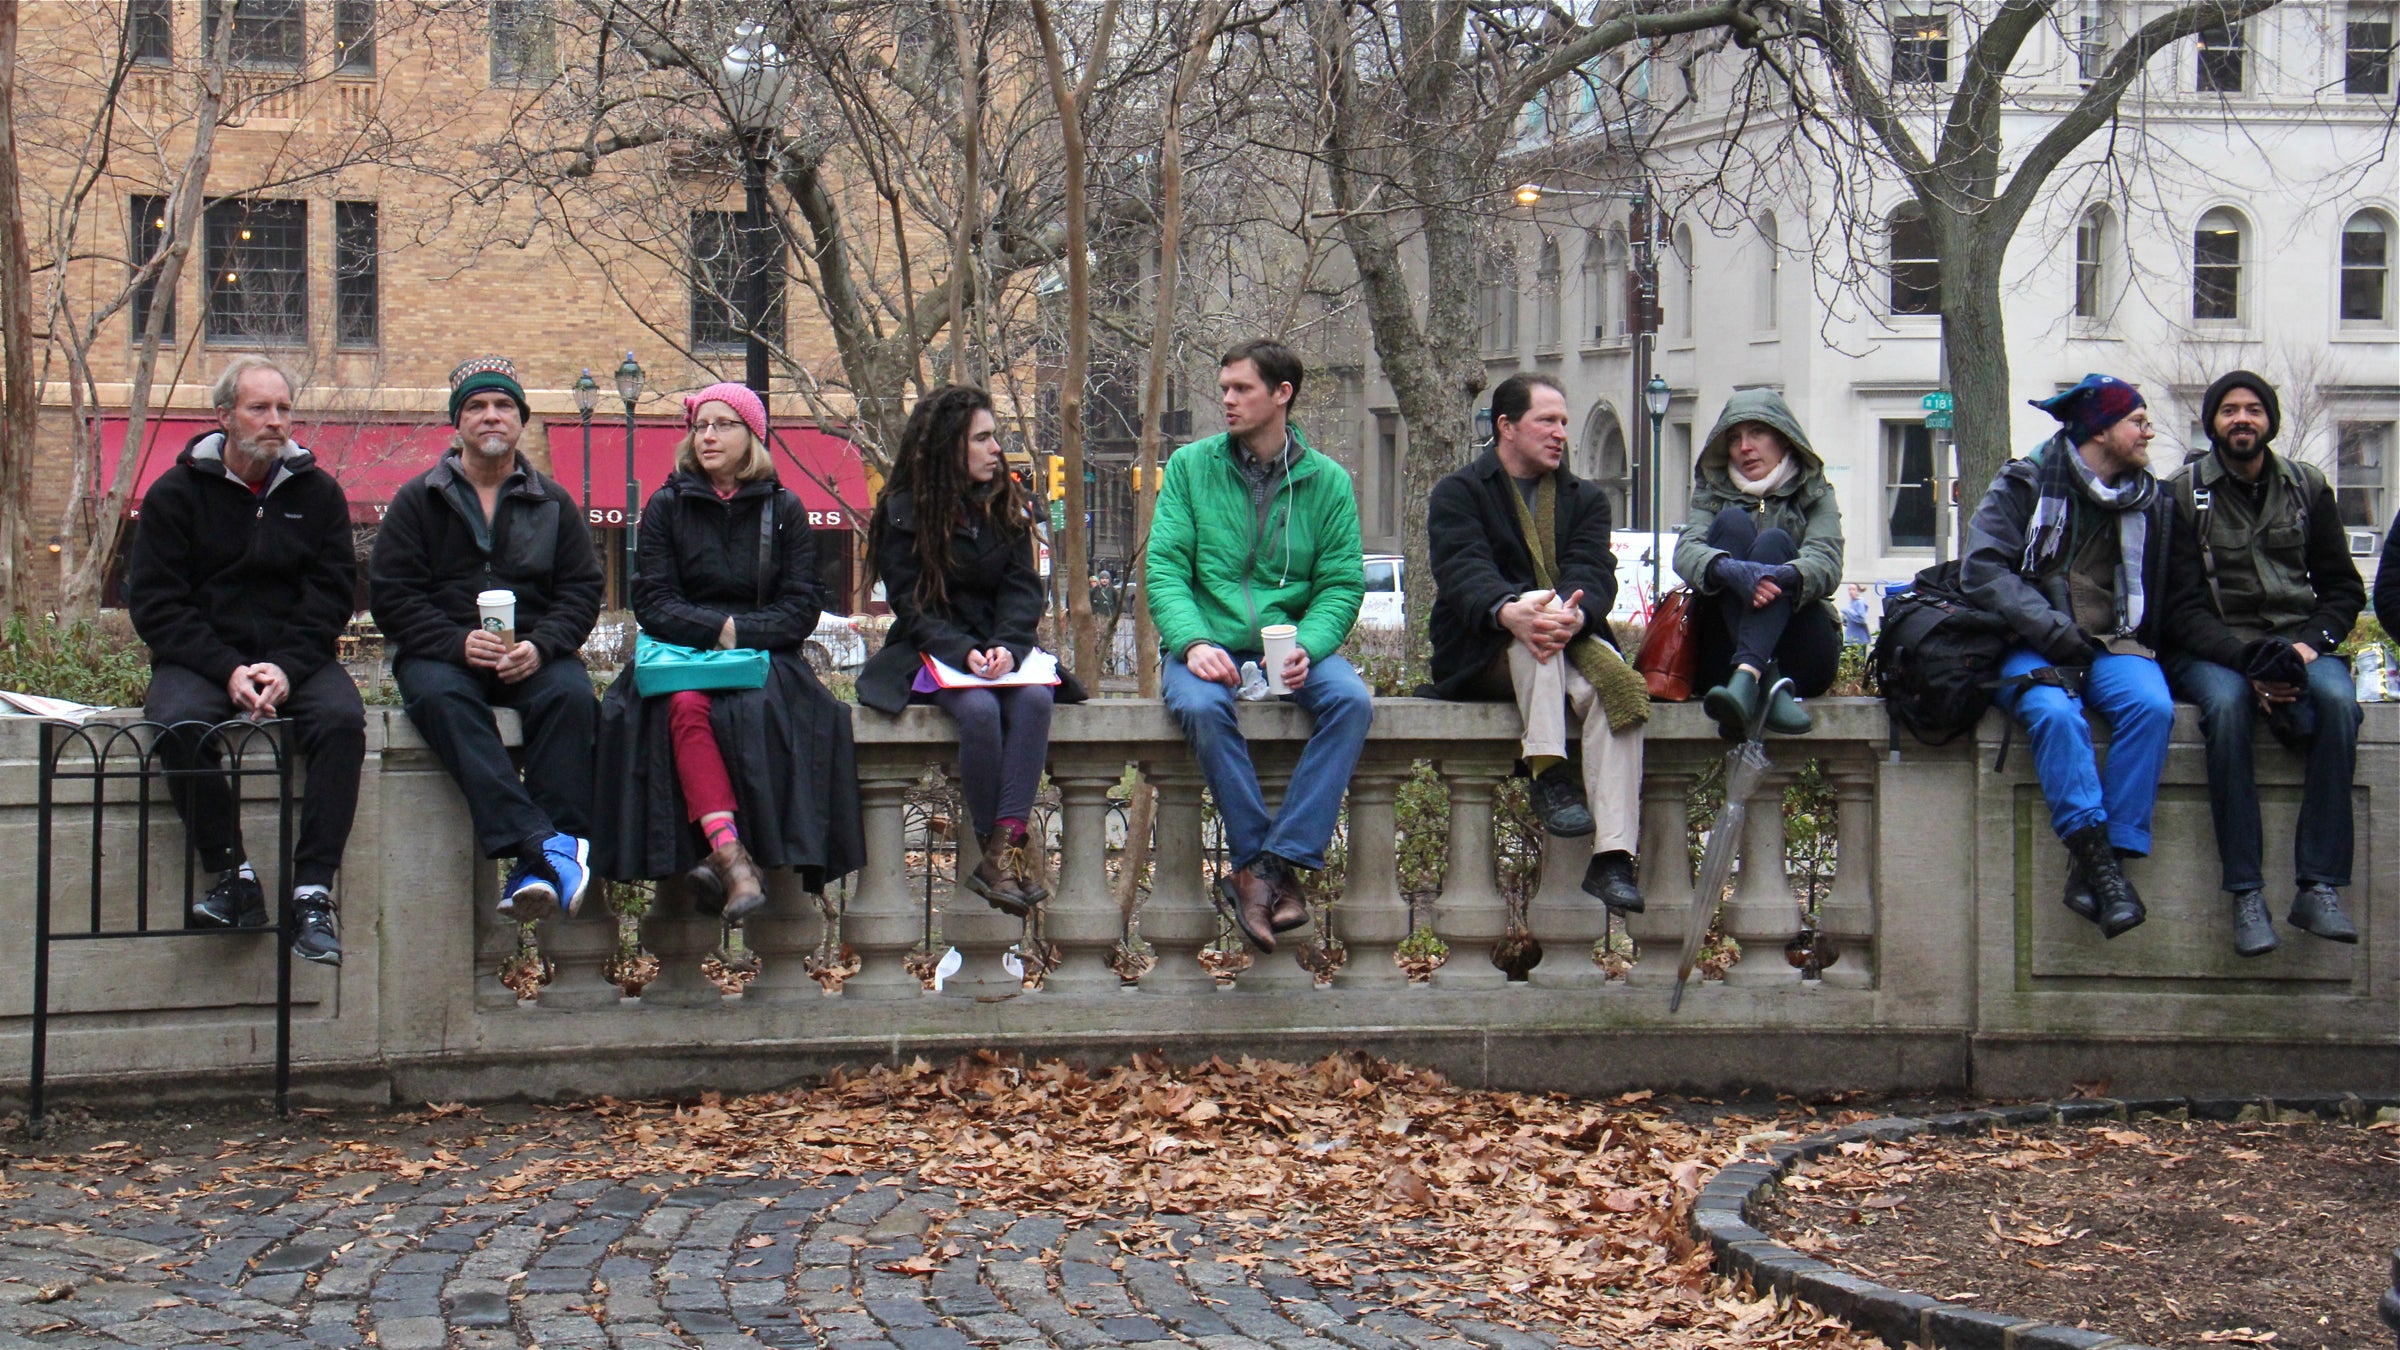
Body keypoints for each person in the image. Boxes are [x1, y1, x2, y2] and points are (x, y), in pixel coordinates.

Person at [124, 355, 363, 966]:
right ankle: (235, 877)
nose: (276, 421)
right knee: (178, 723)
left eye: (284, 409)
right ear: (225, 415)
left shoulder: (320, 493)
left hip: (297, 659)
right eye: (260, 409)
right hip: (200, 661)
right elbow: (156, 603)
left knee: (341, 722)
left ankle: (313, 891)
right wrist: (228, 668)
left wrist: (285, 664)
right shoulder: (175, 494)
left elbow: (333, 594)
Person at [593, 383, 863, 921]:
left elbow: (801, 605)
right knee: (683, 705)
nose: (708, 435)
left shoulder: (784, 508)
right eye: (701, 426)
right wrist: (717, 628)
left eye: (723, 424)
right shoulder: (666, 505)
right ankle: (730, 856)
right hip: (680, 655)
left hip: (762, 656)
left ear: (753, 435)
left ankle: (728, 855)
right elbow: (652, 599)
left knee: (757, 712)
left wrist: (739, 633)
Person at [1147, 339, 1370, 953]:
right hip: (1205, 644)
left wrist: (1311, 643)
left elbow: (1342, 583)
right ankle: (1261, 863)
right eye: (1224, 388)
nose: (1226, 400)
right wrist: (1190, 642)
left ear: (1282, 395)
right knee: (1198, 707)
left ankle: (1269, 866)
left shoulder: (1326, 483)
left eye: (1241, 389)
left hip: (1292, 646)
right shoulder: (1193, 467)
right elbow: (1164, 568)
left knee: (1351, 701)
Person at [369, 356, 604, 923]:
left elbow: (581, 589)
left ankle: (532, 873)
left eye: (503, 406)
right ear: (459, 422)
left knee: (570, 698)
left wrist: (544, 645)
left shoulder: (552, 502)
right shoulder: (416, 499)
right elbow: (392, 595)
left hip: (532, 655)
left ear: (521, 420)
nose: (491, 416)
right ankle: (542, 843)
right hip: (443, 656)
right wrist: (455, 643)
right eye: (476, 406)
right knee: (441, 699)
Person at [1962, 373, 2175, 940]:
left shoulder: (2149, 497)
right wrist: (2051, 630)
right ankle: (2101, 867)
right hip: (2028, 642)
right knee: (2055, 716)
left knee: (2152, 708)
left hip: (2112, 641)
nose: (2148, 431)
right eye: (2137, 420)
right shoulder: (2025, 481)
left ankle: (2100, 867)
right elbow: (1980, 570)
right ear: (2101, 431)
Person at [859, 385, 1086, 915]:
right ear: (949, 445)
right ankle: (997, 852)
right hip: (931, 651)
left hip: (1003, 651)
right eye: (983, 438)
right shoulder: (901, 512)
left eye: (995, 438)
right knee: (981, 711)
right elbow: (912, 605)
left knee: (1034, 700)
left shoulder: (1006, 503)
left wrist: (1008, 646)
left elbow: (1022, 587)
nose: (995, 450)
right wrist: (964, 653)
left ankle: (998, 858)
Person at [1426, 373, 1647, 912]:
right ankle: (1548, 772)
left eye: (1564, 423)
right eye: (1546, 421)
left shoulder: (1586, 499)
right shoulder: (1461, 492)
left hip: (1562, 641)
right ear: (1506, 426)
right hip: (1482, 648)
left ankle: (1613, 857)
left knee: (1614, 691)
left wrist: (1577, 613)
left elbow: (1594, 571)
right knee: (1532, 635)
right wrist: (1509, 610)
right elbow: (1462, 569)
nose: (1560, 434)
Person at [2163, 371, 2364, 955]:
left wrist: (2304, 650)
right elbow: (2179, 609)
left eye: (2253, 409)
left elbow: (2343, 591)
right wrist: (2250, 664)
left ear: (2270, 420)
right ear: (2213, 422)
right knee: (2226, 710)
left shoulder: (2307, 487)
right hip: (2215, 649)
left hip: (2297, 641)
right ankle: (2247, 893)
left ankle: (2317, 885)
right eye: (2229, 410)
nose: (2242, 419)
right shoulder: (2181, 494)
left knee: (2338, 704)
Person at [1672, 389, 1846, 740]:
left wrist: (1781, 574)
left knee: (1774, 543)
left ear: (1783, 438)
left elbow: (1826, 560)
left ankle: (1748, 676)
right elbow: (1686, 551)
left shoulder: (1815, 492)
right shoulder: (1712, 494)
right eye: (1734, 438)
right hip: (1720, 659)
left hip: (1801, 653)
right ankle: (1764, 679)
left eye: (1757, 433)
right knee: (1732, 524)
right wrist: (1731, 571)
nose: (1744, 447)